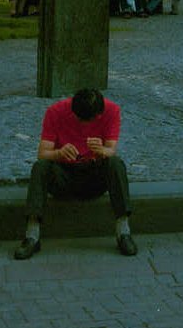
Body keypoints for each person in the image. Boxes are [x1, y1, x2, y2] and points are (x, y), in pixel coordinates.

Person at [14, 88, 137, 259]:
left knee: (116, 163)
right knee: (40, 167)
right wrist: (59, 153)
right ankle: (32, 235)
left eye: (90, 121)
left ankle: (123, 231)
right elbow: (42, 154)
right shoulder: (55, 111)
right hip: (64, 175)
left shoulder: (112, 110)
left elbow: (111, 150)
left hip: (93, 175)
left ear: (99, 114)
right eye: (81, 120)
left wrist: (101, 150)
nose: (85, 125)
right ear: (73, 112)